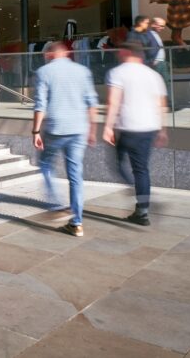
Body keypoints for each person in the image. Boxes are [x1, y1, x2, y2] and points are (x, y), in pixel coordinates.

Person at [31, 42, 99, 237]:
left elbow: (40, 104)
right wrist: (92, 130)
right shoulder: (82, 70)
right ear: (66, 53)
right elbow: (91, 102)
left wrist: (35, 131)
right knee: (75, 175)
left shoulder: (44, 72)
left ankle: (57, 205)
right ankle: (77, 222)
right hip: (79, 128)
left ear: (50, 54)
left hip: (55, 128)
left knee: (45, 165)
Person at [102, 42, 169, 226]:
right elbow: (162, 105)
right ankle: (142, 208)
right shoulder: (154, 75)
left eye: (119, 51)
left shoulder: (117, 73)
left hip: (128, 127)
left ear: (125, 52)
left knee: (118, 164)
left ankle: (139, 192)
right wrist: (162, 130)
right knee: (141, 169)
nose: (117, 54)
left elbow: (113, 102)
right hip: (149, 127)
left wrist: (108, 127)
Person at [149, 17, 169, 86]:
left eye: (163, 26)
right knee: (156, 84)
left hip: (161, 62)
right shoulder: (148, 35)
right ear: (153, 25)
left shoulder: (156, 34)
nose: (162, 28)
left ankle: (166, 97)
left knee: (165, 83)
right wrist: (152, 60)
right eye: (161, 26)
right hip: (156, 62)